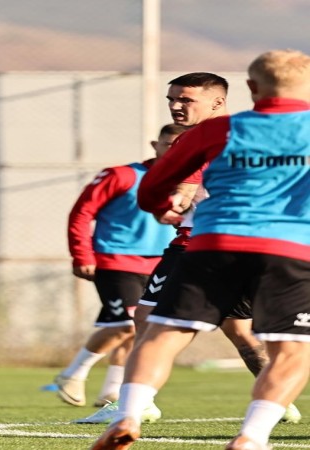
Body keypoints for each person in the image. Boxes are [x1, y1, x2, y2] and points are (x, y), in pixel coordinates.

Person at [91, 49, 310, 450]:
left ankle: (126, 417)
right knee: (292, 350)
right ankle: (252, 436)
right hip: (290, 250)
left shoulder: (218, 130)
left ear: (251, 87)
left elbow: (152, 187)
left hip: (212, 245)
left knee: (162, 333)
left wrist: (160, 207)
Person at [50, 124, 184, 411]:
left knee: (137, 328)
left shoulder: (191, 182)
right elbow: (82, 212)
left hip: (162, 263)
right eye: (169, 144)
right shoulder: (122, 175)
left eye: (181, 145)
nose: (175, 151)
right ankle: (73, 374)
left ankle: (112, 391)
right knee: (126, 324)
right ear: (155, 145)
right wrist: (82, 255)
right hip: (116, 260)